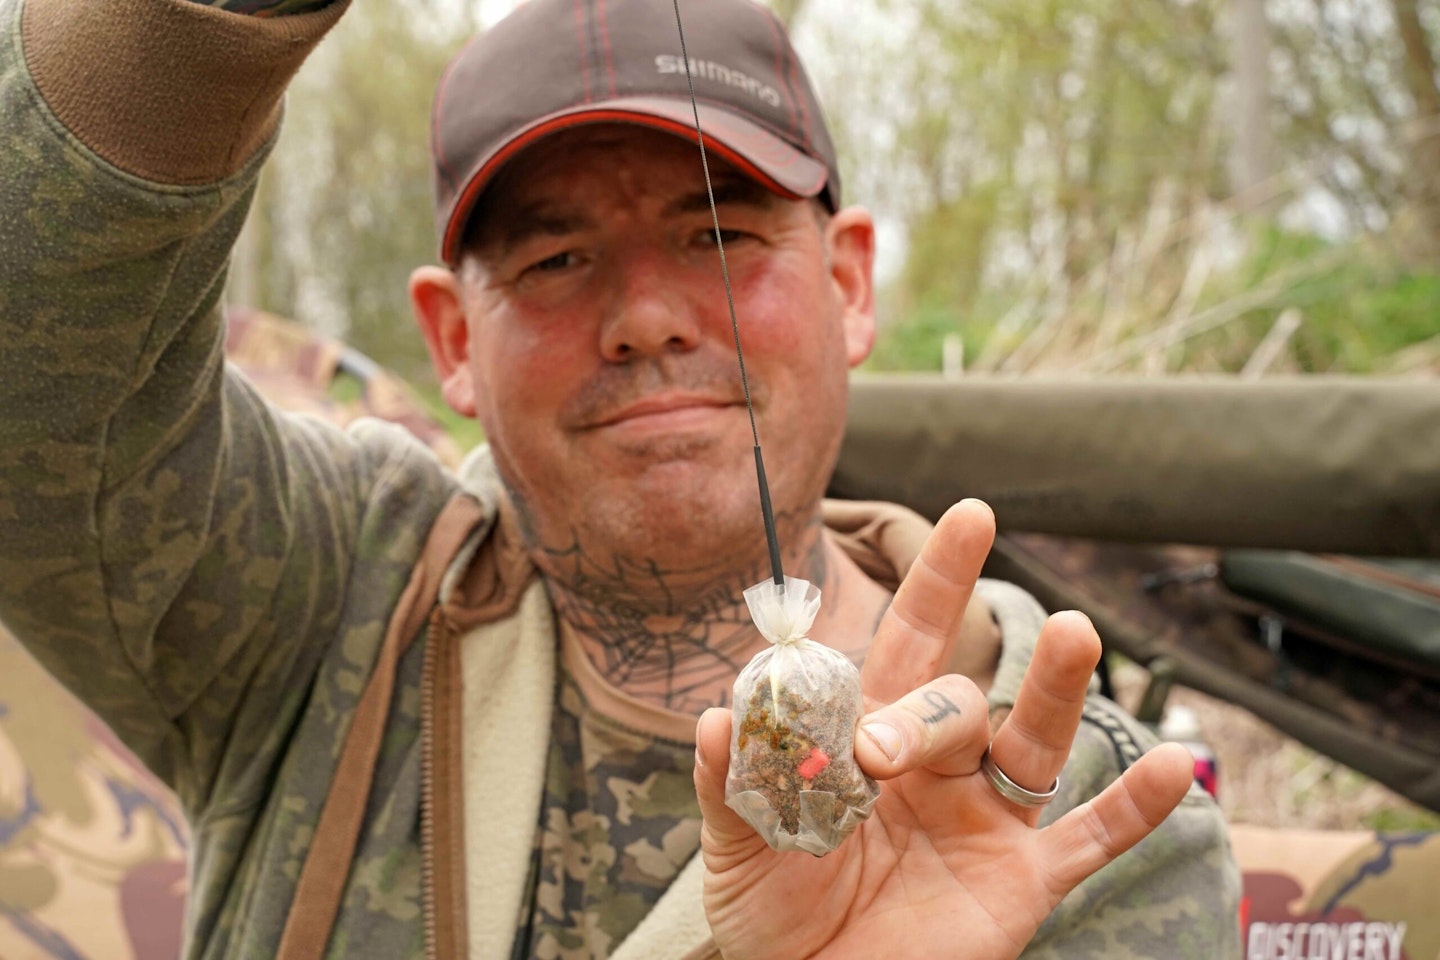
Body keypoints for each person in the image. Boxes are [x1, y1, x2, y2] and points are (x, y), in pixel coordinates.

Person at [0, 0, 1240, 957]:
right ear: (449, 344)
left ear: (851, 284)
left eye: (721, 235)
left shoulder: (1084, 809)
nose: (646, 316)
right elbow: (36, 368)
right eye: (554, 259)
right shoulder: (319, 596)